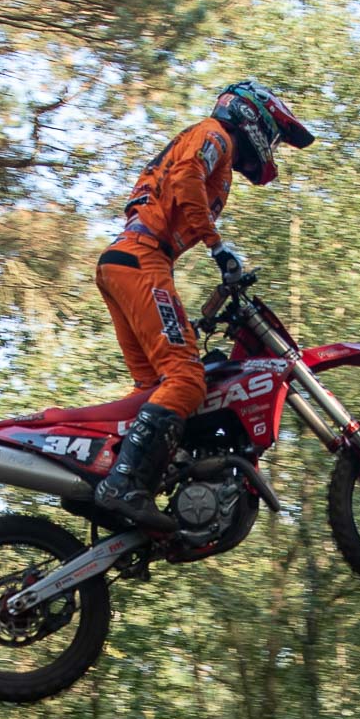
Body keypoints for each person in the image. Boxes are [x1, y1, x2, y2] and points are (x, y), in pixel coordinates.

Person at [92, 80, 315, 531]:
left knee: (154, 388)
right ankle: (123, 485)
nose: (271, 147)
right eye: (272, 136)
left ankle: (125, 479)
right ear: (252, 116)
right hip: (142, 258)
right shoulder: (215, 135)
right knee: (187, 379)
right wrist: (217, 245)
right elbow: (185, 178)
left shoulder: (216, 148)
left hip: (129, 261)